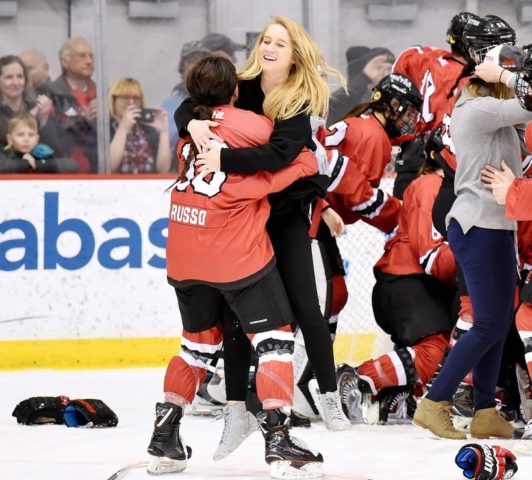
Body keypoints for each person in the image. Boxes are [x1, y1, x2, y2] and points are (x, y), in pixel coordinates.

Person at [174, 15, 350, 450]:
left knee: (305, 306)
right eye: (267, 41)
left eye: (281, 44)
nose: (270, 48)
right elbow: (194, 101)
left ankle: (328, 396)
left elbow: (278, 155)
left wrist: (222, 161)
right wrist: (190, 125)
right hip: (244, 211)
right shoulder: (243, 85)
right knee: (235, 316)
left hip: (284, 209)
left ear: (295, 55)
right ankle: (237, 409)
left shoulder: (300, 99)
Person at [146, 55, 323, 479]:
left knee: (196, 346)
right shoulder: (254, 126)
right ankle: (279, 442)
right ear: (237, 90)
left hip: (186, 253)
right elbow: (270, 173)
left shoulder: (188, 135)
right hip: (235, 255)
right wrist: (303, 164)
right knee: (275, 340)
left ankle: (165, 438)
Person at [412, 42, 532, 440]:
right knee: (488, 324)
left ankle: (484, 411)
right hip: (478, 226)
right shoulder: (477, 107)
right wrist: (509, 78)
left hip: (495, 228)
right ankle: (434, 402)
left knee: (496, 324)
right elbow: (529, 99)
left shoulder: (496, 113)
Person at [336, 152, 457, 425]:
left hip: (411, 285)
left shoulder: (442, 186)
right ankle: (353, 377)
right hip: (409, 285)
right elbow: (432, 258)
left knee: (433, 350)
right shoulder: (431, 185)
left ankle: (395, 395)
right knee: (433, 352)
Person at [48, 37, 97, 173]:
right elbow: (54, 135)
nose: (89, 61)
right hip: (64, 168)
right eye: (82, 56)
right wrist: (84, 121)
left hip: (98, 169)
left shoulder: (103, 93)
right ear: (65, 62)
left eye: (91, 56)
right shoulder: (50, 93)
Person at [0, 55, 63, 156]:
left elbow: (58, 155)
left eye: (20, 76)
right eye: (9, 77)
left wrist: (43, 120)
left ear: (25, 80)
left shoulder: (38, 107)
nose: (15, 82)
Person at [108, 78, 170, 174]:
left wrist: (164, 132)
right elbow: (109, 167)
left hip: (148, 186)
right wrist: (123, 129)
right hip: (116, 187)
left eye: (136, 98)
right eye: (125, 97)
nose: (131, 102)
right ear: (113, 101)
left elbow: (163, 170)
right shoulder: (103, 130)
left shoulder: (148, 131)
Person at [160, 41, 212, 157]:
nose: (197, 65)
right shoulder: (168, 106)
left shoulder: (223, 100)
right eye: (192, 60)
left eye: (203, 61)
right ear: (182, 68)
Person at [327, 46, 394, 126]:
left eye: (389, 69)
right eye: (379, 68)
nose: (386, 73)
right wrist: (365, 77)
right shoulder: (353, 100)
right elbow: (331, 106)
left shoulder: (387, 99)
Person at [0, 113, 75, 173]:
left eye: (31, 135)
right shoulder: (4, 155)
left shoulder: (44, 154)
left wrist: (37, 164)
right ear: (9, 138)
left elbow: (72, 165)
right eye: (20, 135)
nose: (26, 139)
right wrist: (25, 164)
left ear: (37, 139)